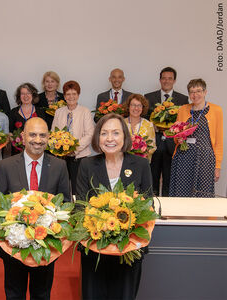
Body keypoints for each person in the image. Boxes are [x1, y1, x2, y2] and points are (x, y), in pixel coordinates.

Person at [0, 117, 71, 300]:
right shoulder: (6, 165)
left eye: (42, 135)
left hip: (46, 248)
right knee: (14, 294)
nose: (37, 139)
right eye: (33, 134)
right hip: (13, 246)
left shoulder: (60, 166)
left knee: (42, 294)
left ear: (48, 137)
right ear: (23, 136)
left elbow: (66, 204)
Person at [76, 113, 153, 300]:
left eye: (116, 133)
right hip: (94, 250)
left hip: (129, 250)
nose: (109, 139)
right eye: (104, 133)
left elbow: (147, 208)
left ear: (125, 137)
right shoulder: (86, 165)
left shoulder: (141, 165)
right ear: (97, 138)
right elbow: (79, 208)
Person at [170, 79, 223, 197]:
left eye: (198, 91)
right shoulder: (183, 109)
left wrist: (217, 166)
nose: (195, 95)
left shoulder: (216, 110)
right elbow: (176, 134)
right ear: (189, 95)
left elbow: (219, 141)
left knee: (202, 193)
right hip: (183, 157)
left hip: (205, 158)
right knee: (181, 192)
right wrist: (177, 139)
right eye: (192, 92)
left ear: (205, 92)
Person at [145, 67, 189, 196]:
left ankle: (168, 208)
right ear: (160, 80)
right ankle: (152, 206)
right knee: (152, 175)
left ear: (174, 81)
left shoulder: (182, 99)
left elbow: (184, 123)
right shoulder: (148, 97)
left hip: (172, 143)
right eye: (164, 78)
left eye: (170, 78)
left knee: (169, 178)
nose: (166, 81)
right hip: (154, 140)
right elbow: (146, 119)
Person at [52, 80, 94, 194]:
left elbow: (90, 134)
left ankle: (77, 210)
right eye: (68, 94)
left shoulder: (85, 111)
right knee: (61, 188)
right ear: (64, 96)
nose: (71, 97)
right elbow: (53, 133)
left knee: (78, 189)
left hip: (80, 157)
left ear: (78, 95)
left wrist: (73, 148)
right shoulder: (59, 112)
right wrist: (60, 149)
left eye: (74, 94)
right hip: (62, 158)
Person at [124, 94, 157, 161]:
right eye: (133, 105)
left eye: (139, 105)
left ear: (143, 108)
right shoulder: (121, 123)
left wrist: (140, 154)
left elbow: (152, 147)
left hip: (142, 162)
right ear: (128, 106)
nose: (136, 108)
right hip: (123, 161)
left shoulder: (148, 125)